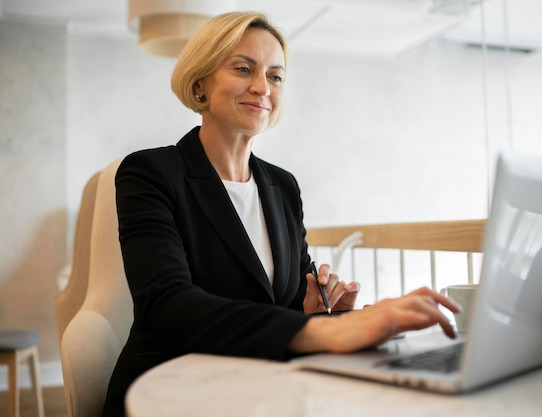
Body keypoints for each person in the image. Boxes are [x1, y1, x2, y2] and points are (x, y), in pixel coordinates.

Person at [102, 11, 459, 416]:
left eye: (275, 76)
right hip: (172, 390)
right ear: (199, 83)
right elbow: (167, 307)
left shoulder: (283, 186)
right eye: (243, 69)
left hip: (263, 387)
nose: (262, 87)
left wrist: (325, 314)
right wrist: (319, 331)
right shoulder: (151, 172)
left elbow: (286, 306)